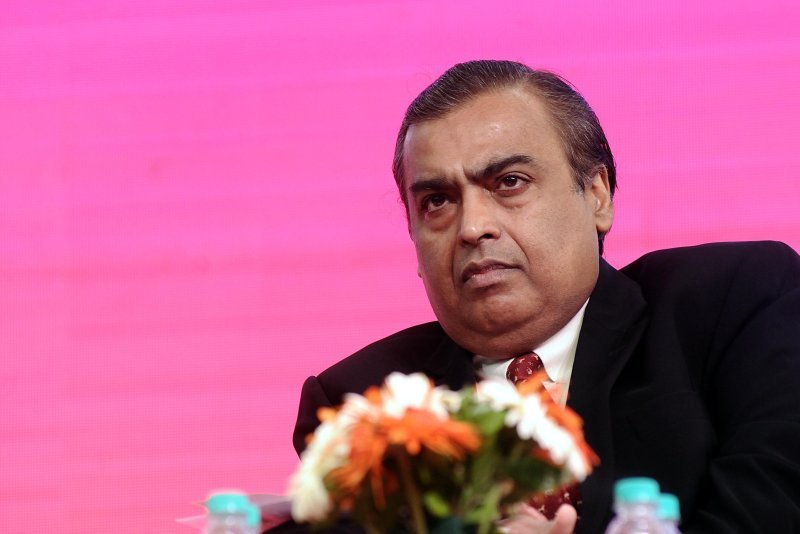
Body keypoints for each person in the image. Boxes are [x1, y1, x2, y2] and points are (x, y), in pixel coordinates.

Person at [289, 60, 800, 533]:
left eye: (509, 182)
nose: (473, 227)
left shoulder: (733, 303)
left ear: (597, 194)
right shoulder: (359, 404)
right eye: (437, 201)